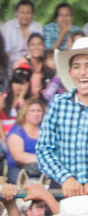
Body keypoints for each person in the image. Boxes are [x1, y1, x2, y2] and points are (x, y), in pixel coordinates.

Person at [37, 37, 88, 198]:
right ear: (70, 72)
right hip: (61, 190)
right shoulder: (58, 103)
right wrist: (66, 178)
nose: (82, 72)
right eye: (77, 67)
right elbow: (44, 149)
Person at [7, 98, 44, 177]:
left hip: (43, 168)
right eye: (32, 111)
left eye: (39, 111)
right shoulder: (17, 131)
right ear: (25, 113)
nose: (36, 114)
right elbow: (18, 156)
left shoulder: (46, 129)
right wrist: (43, 159)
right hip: (20, 169)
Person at [1, 0, 44, 65]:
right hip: (12, 63)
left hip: (31, 63)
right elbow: (6, 51)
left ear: (32, 14)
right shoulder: (8, 27)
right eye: (22, 12)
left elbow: (39, 50)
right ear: (16, 13)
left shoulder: (37, 27)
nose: (25, 16)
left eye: (28, 13)